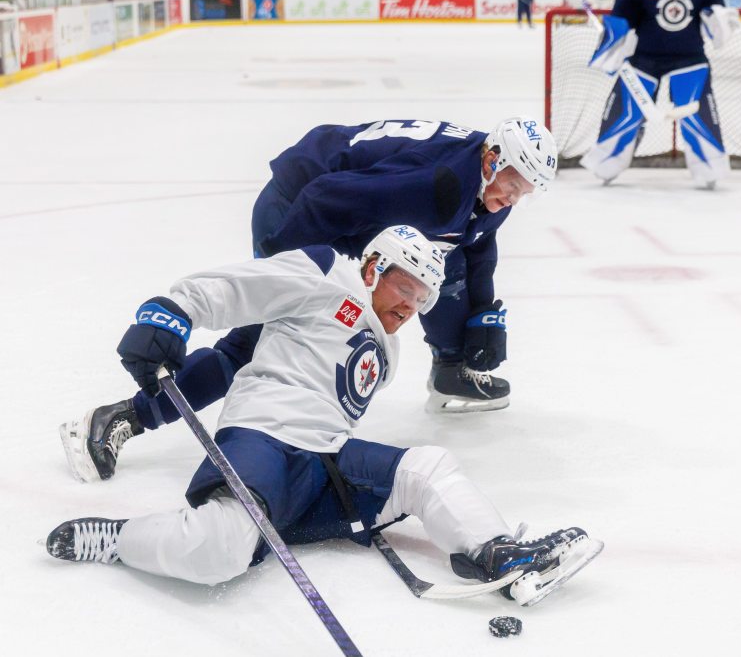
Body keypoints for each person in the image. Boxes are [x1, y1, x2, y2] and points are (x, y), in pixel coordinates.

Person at [47, 226, 597, 606]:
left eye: (424, 299)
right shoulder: (327, 272)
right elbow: (241, 288)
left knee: (427, 467)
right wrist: (174, 312)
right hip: (263, 437)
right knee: (219, 551)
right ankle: (117, 539)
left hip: (324, 466)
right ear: (375, 266)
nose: (411, 306)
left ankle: (497, 553)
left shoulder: (390, 351)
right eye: (406, 287)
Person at [59, 117, 559, 483]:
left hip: (355, 217)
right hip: (300, 206)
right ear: (493, 161)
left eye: (525, 192)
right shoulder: (437, 186)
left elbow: (475, 242)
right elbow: (325, 196)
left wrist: (485, 317)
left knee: (434, 270)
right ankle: (121, 416)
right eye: (513, 185)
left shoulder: (484, 184)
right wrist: (286, 278)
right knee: (252, 346)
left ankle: (451, 366)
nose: (514, 198)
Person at [579, 0, 741, 188]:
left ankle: (709, 165)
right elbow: (623, 15)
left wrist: (718, 19)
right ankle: (607, 161)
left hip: (690, 58)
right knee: (626, 114)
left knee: (697, 116)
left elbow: (716, 16)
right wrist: (614, 40)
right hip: (643, 59)